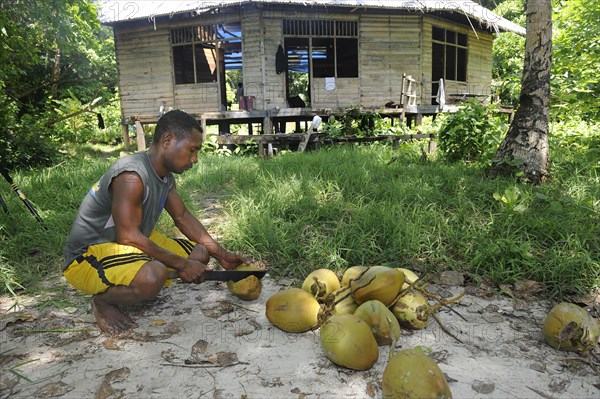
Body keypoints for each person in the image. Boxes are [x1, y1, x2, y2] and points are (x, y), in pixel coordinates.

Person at [63, 110, 250, 334]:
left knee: (199, 253)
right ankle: (103, 302)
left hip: (125, 244)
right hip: (88, 256)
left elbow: (183, 217)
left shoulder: (164, 175)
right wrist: (181, 265)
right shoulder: (131, 175)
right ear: (167, 140)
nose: (195, 159)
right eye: (192, 150)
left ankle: (140, 283)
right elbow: (129, 236)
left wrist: (222, 255)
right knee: (155, 274)